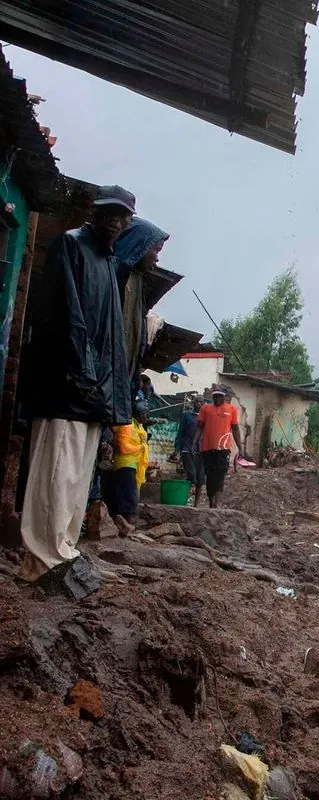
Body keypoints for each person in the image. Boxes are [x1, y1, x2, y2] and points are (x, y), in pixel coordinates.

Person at [19, 185, 136, 584]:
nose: (115, 221)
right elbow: (64, 319)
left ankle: (64, 551)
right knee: (56, 475)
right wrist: (82, 375)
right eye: (109, 213)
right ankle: (42, 560)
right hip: (66, 389)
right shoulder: (70, 247)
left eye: (123, 216)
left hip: (91, 394)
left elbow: (111, 339)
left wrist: (107, 392)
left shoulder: (106, 261)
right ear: (94, 212)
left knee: (75, 479)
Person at [113, 218, 169, 386]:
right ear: (139, 246)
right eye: (156, 250)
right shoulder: (113, 276)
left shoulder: (137, 281)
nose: (157, 259)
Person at [101, 401, 150, 536]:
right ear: (139, 414)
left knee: (125, 497)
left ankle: (123, 525)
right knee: (129, 499)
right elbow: (123, 448)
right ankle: (126, 526)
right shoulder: (127, 425)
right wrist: (141, 447)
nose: (146, 417)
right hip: (125, 464)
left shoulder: (137, 425)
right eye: (145, 414)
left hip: (132, 464)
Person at [192, 387, 242, 508]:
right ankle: (211, 501)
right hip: (208, 448)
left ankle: (218, 503)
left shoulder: (231, 409)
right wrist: (194, 442)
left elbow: (235, 429)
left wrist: (240, 447)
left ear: (224, 397)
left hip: (223, 448)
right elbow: (200, 427)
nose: (217, 398)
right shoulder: (205, 409)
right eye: (215, 396)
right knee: (210, 476)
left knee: (220, 474)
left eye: (219, 396)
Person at [175, 395, 205, 507]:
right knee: (192, 474)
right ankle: (184, 497)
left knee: (200, 478)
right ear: (194, 403)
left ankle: (196, 504)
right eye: (197, 402)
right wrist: (177, 447)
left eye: (201, 402)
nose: (199, 404)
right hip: (187, 449)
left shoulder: (206, 417)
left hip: (201, 450)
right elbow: (180, 431)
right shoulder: (187, 415)